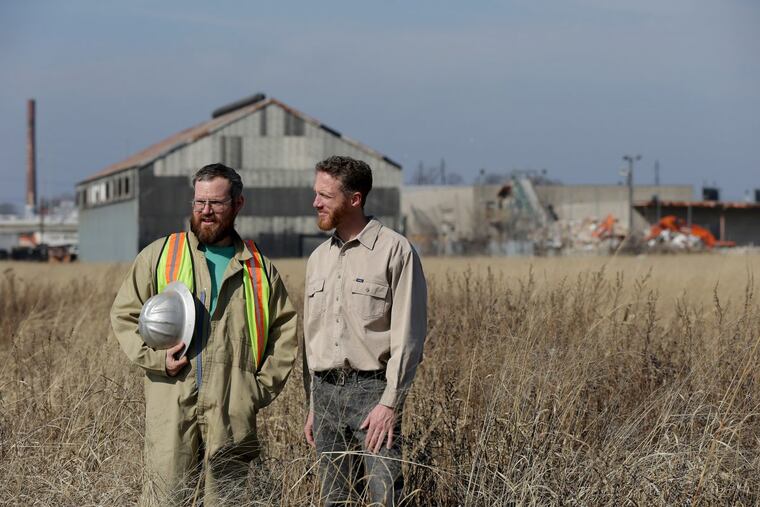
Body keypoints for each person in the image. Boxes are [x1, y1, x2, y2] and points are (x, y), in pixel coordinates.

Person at [111, 163, 298, 505]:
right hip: (172, 407)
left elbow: (284, 334)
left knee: (225, 501)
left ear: (238, 203)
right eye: (199, 203)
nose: (205, 212)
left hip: (231, 414)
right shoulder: (161, 255)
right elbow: (124, 315)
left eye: (216, 203)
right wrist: (155, 359)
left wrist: (254, 391)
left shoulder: (258, 268)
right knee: (166, 499)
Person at [302, 155, 428, 506]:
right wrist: (314, 404)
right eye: (316, 193)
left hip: (372, 393)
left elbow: (409, 335)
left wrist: (390, 403)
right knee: (334, 501)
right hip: (324, 396)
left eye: (325, 195)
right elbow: (310, 340)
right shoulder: (317, 260)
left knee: (384, 497)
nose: (315, 202)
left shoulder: (394, 251)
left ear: (354, 199)